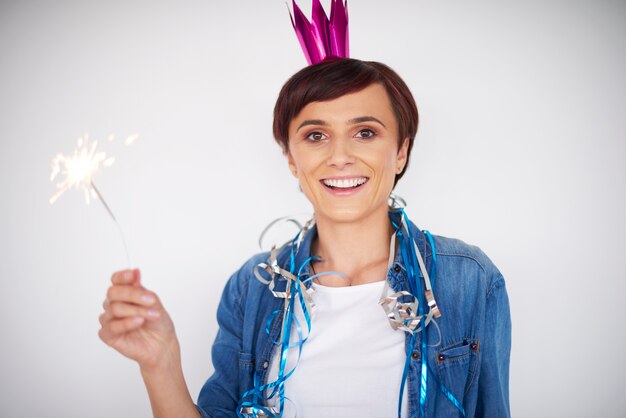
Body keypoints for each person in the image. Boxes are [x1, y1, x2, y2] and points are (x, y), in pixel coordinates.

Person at [99, 58, 511, 418]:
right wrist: (160, 364)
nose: (339, 156)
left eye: (365, 132)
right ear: (291, 160)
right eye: (315, 135)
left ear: (401, 151)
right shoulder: (252, 286)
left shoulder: (469, 279)